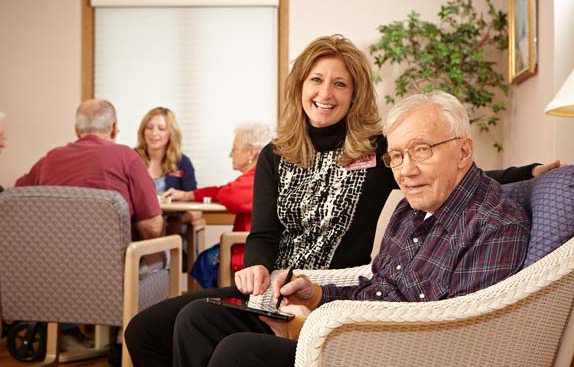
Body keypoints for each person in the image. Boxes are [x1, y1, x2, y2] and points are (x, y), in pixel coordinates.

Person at [124, 35, 552, 367]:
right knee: (148, 328)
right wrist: (257, 266)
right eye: (316, 80)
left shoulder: (378, 150)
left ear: (354, 93)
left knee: (218, 340)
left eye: (339, 83)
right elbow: (264, 232)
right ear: (301, 86)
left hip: (334, 291)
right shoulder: (277, 152)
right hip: (281, 285)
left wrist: (526, 173)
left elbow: (445, 171)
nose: (325, 92)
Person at [196, 91, 532, 367]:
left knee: (239, 353)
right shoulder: (412, 208)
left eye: (421, 151)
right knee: (203, 319)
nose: (406, 171)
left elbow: (454, 341)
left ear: (464, 151)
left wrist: (318, 332)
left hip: (385, 353)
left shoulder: (495, 225)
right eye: (396, 156)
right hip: (360, 330)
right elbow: (379, 289)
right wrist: (316, 297)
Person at [15, 99, 163, 241]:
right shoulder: (127, 157)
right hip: (116, 265)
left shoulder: (49, 160)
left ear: (77, 130)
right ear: (114, 127)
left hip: (55, 262)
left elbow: (17, 199)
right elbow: (152, 228)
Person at [163, 122, 272, 232]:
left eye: (234, 149)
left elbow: (229, 194)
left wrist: (191, 195)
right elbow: (223, 191)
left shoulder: (259, 180)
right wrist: (189, 195)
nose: (230, 154)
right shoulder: (259, 177)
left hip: (245, 247)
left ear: (251, 153)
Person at [135, 107, 201, 229]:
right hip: (139, 226)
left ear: (171, 132)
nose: (154, 133)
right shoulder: (131, 159)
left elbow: (196, 210)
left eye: (161, 129)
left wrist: (178, 221)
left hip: (172, 230)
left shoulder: (182, 162)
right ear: (143, 131)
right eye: (149, 128)